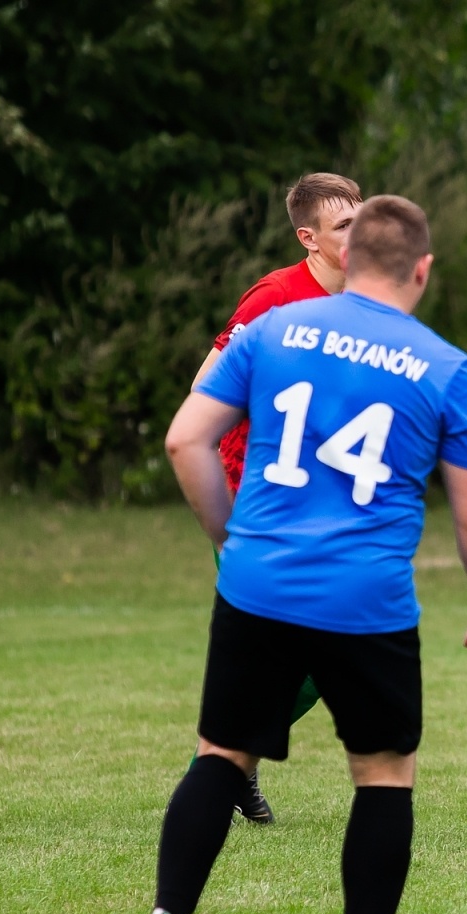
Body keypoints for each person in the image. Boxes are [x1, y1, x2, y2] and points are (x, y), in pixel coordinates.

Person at [136, 195, 467, 914]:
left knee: (221, 755)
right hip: (366, 601)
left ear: (349, 256)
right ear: (422, 269)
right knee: (383, 774)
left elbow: (184, 438)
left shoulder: (273, 330)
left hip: (258, 585)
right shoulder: (445, 367)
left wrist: (233, 539)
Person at [190, 172, 362, 825]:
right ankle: (221, 767)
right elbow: (205, 391)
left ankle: (230, 759)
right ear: (308, 238)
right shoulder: (276, 296)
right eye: (343, 226)